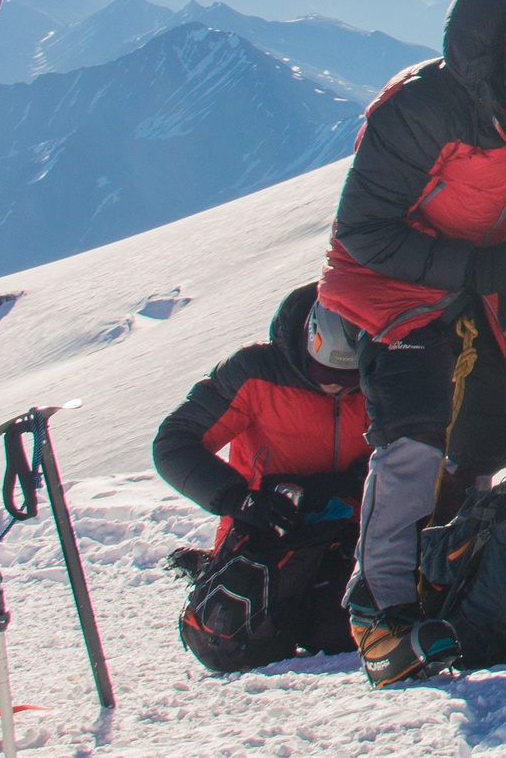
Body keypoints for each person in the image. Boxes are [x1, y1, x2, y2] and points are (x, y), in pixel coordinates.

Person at [313, 0, 506, 685]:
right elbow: (361, 233)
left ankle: (456, 593)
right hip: (391, 281)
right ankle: (380, 616)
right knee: (413, 436)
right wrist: (482, 264)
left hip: (481, 271)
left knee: (485, 436)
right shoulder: (421, 112)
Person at [151, 285, 370, 668]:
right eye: (323, 373)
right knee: (237, 642)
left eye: (348, 379)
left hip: (353, 538)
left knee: (340, 633)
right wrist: (239, 500)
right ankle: (214, 570)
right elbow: (174, 443)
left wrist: (357, 479)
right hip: (264, 539)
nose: (335, 386)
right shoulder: (254, 374)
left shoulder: (385, 372)